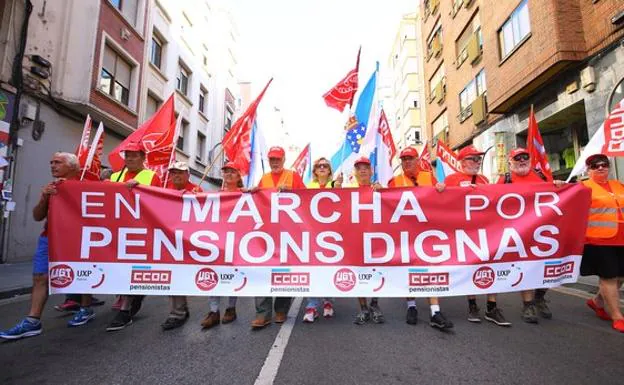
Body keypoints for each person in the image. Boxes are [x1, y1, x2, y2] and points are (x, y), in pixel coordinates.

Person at [0, 153, 82, 340]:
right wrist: (45, 197)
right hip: (49, 237)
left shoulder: (83, 186)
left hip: (74, 239)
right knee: (39, 277)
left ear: (72, 167)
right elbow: (38, 216)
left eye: (57, 162)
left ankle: (85, 308)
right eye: (51, 162)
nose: (52, 165)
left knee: (82, 273)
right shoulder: (51, 188)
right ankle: (33, 320)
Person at [444, 145, 510, 327]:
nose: (477, 162)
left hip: (485, 231)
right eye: (473, 159)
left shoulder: (484, 179)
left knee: (492, 265)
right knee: (469, 268)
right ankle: (472, 305)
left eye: (478, 159)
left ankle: (492, 307)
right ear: (462, 162)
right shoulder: (451, 179)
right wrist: (441, 189)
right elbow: (443, 202)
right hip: (464, 232)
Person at [387, 147, 453, 330]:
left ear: (417, 160)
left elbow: (442, 196)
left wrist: (441, 188)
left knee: (430, 269)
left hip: (427, 232)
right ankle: (411, 307)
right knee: (409, 271)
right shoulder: (395, 181)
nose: (407, 161)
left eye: (410, 158)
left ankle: (435, 311)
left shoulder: (428, 177)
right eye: (404, 159)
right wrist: (377, 191)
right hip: (405, 234)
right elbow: (384, 203)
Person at [496, 147, 563, 323]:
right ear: (510, 162)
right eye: (517, 158)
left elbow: (555, 193)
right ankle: (528, 305)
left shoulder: (541, 176)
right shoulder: (505, 179)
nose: (522, 160)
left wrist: (560, 186)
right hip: (519, 231)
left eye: (525, 157)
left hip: (544, 230)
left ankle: (540, 296)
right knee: (525, 267)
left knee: (549, 266)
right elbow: (492, 202)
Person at [106, 142, 161, 332]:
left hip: (140, 230)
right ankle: (131, 296)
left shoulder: (151, 177)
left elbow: (160, 202)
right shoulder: (114, 176)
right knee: (120, 268)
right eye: (127, 155)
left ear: (143, 158)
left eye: (134, 155)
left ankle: (125, 309)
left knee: (133, 267)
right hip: (117, 230)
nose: (129, 158)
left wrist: (141, 190)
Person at [251, 146, 307, 329]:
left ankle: (281, 309)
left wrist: (291, 191)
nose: (274, 162)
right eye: (271, 159)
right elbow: (258, 202)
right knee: (262, 271)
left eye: (277, 158)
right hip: (266, 232)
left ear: (284, 159)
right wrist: (251, 193)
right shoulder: (264, 179)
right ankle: (262, 313)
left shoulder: (293, 176)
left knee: (283, 272)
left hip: (287, 232)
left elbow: (307, 199)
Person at [579, 154, 624, 332]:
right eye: (595, 165)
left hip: (621, 239)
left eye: (603, 164)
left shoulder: (618, 185)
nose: (600, 168)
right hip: (599, 240)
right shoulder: (583, 187)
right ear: (588, 169)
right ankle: (617, 316)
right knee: (609, 277)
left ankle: (597, 301)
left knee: (620, 277)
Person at [160, 161, 202, 331]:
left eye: (180, 172)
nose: (176, 176)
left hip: (192, 241)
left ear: (187, 175)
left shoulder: (197, 190)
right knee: (173, 274)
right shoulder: (162, 189)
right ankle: (177, 312)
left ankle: (216, 311)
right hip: (170, 240)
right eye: (173, 172)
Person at [200, 161, 242, 329]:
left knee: (233, 277)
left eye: (232, 171)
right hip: (216, 242)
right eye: (226, 171)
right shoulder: (215, 195)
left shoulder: (245, 194)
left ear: (239, 176)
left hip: (236, 242)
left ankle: (231, 309)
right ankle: (214, 311)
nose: (228, 174)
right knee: (213, 275)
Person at [302, 157, 343, 323]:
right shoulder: (308, 187)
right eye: (319, 166)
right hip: (313, 234)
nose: (322, 168)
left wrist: (339, 188)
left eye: (325, 166)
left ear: (330, 170)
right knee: (313, 269)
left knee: (330, 268)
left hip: (333, 235)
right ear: (314, 171)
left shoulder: (336, 185)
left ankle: (328, 302)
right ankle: (312, 305)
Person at [349, 156, 386, 325]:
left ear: (371, 171)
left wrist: (383, 192)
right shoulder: (347, 191)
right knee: (358, 273)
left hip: (376, 236)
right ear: (355, 173)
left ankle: (375, 304)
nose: (362, 170)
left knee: (377, 271)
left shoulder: (378, 189)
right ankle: (363, 307)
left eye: (366, 167)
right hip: (356, 238)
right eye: (359, 168)